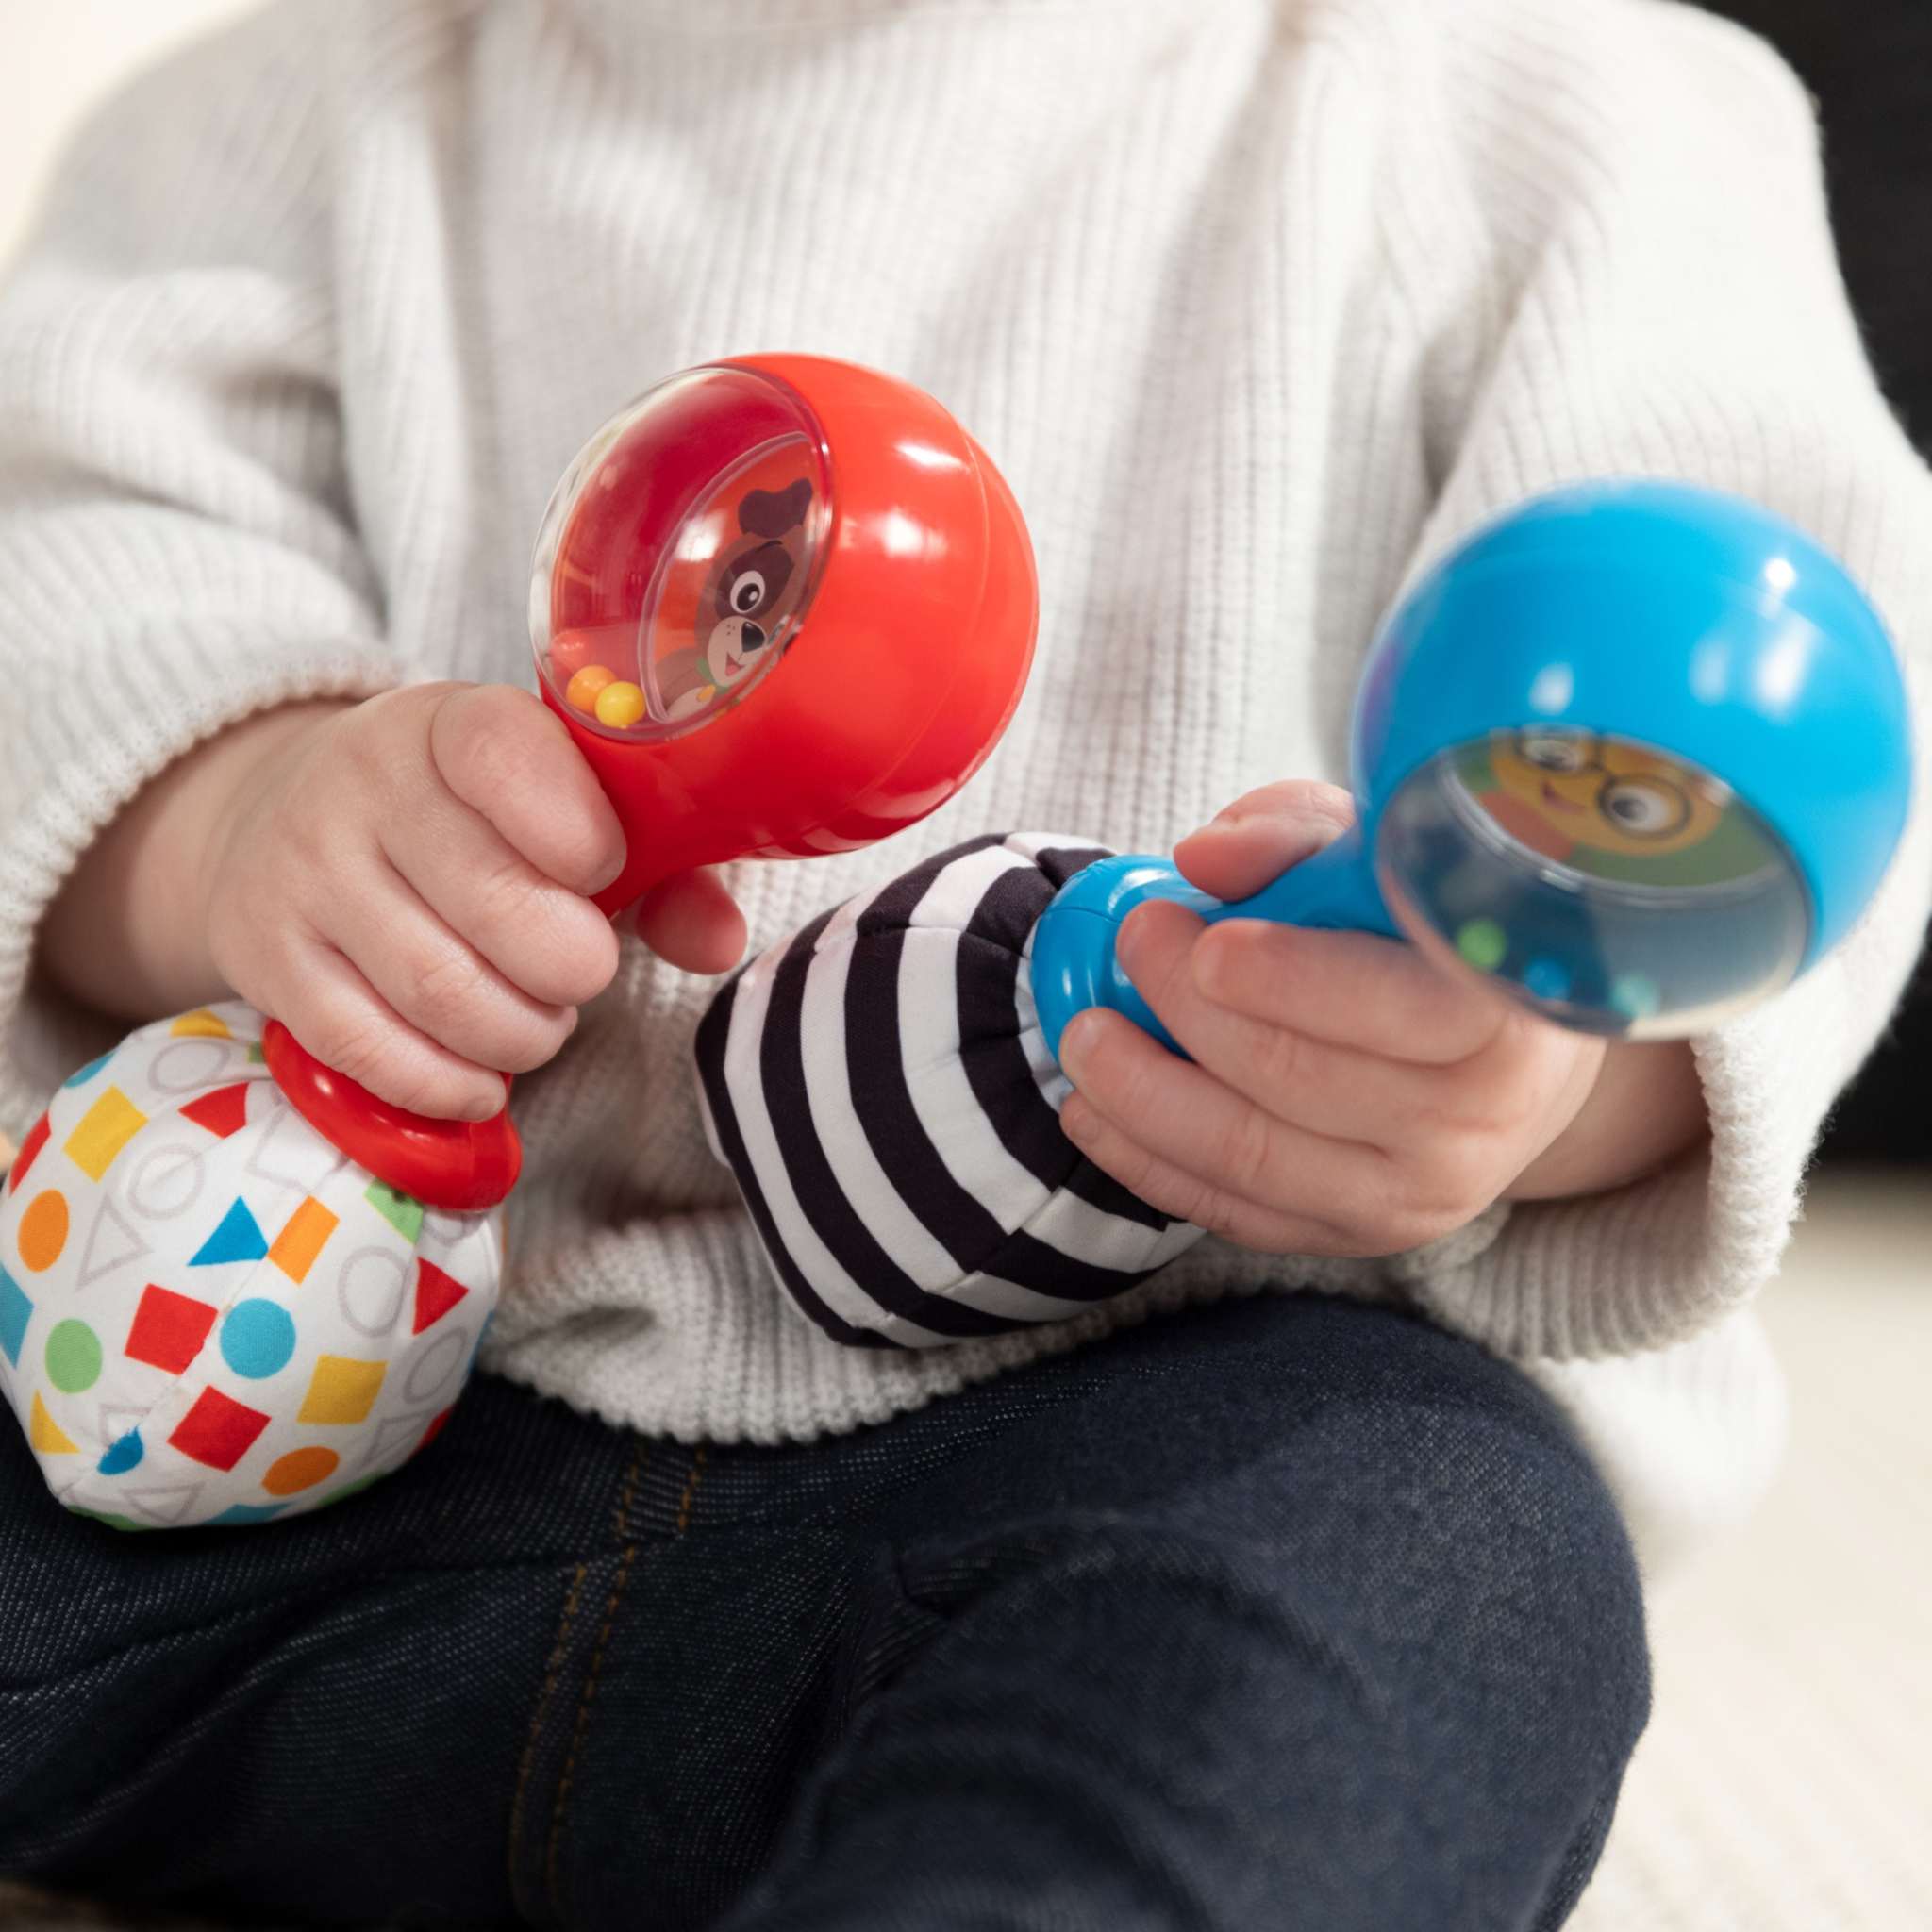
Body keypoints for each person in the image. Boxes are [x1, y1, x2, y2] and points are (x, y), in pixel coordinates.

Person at [0, 0, 1924, 1924]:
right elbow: (75, 595)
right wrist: (237, 814)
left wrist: (1534, 1089)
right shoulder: (276, 119)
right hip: (316, 1447)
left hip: (1136, 1424)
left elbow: (1800, 771)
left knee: (1433, 1550)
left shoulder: (1571, 114)